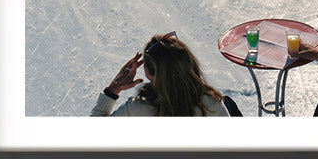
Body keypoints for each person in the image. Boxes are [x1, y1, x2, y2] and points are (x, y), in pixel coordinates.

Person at [90, 31, 237, 117]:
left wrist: (113, 90)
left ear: (148, 73)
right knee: (229, 103)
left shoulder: (138, 108)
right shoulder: (211, 103)